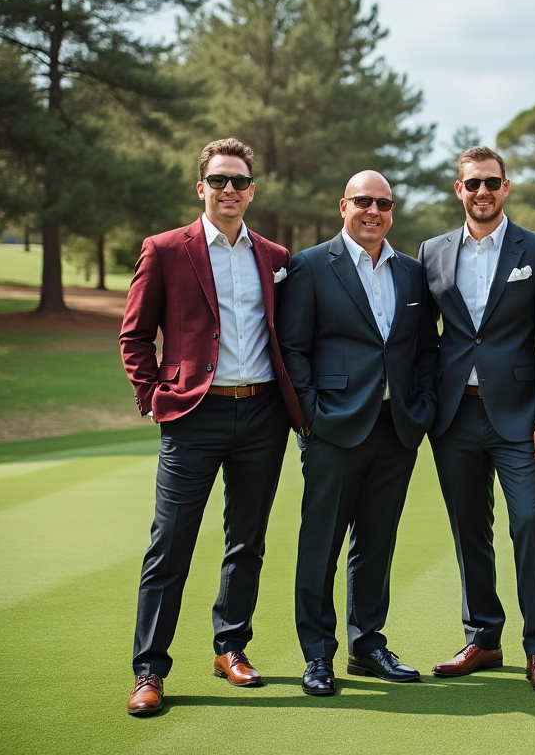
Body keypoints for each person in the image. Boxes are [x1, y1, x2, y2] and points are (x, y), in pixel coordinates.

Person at [120, 137, 303, 716]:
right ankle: (149, 669)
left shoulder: (275, 257)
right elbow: (134, 336)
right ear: (201, 187)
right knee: (170, 543)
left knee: (247, 542)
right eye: (219, 180)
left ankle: (231, 649)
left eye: (239, 181)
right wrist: (153, 398)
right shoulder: (164, 250)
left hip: (263, 415)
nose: (229, 189)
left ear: (252, 191)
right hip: (193, 416)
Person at [276, 171, 439, 696]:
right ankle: (317, 655)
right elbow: (293, 348)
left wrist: (422, 407)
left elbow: (425, 349)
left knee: (376, 543)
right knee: (320, 545)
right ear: (343, 205)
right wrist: (310, 417)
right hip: (333, 429)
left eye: (383, 203)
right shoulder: (309, 266)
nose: (374, 211)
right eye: (363, 201)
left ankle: (367, 645)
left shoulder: (412, 272)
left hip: (397, 429)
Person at [419, 146, 535, 692]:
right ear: (458, 189)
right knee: (469, 530)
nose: (482, 192)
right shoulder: (431, 252)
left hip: (522, 417)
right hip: (454, 416)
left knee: (529, 522)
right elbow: (422, 337)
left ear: (505, 187)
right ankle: (482, 638)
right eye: (472, 183)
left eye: (491, 182)